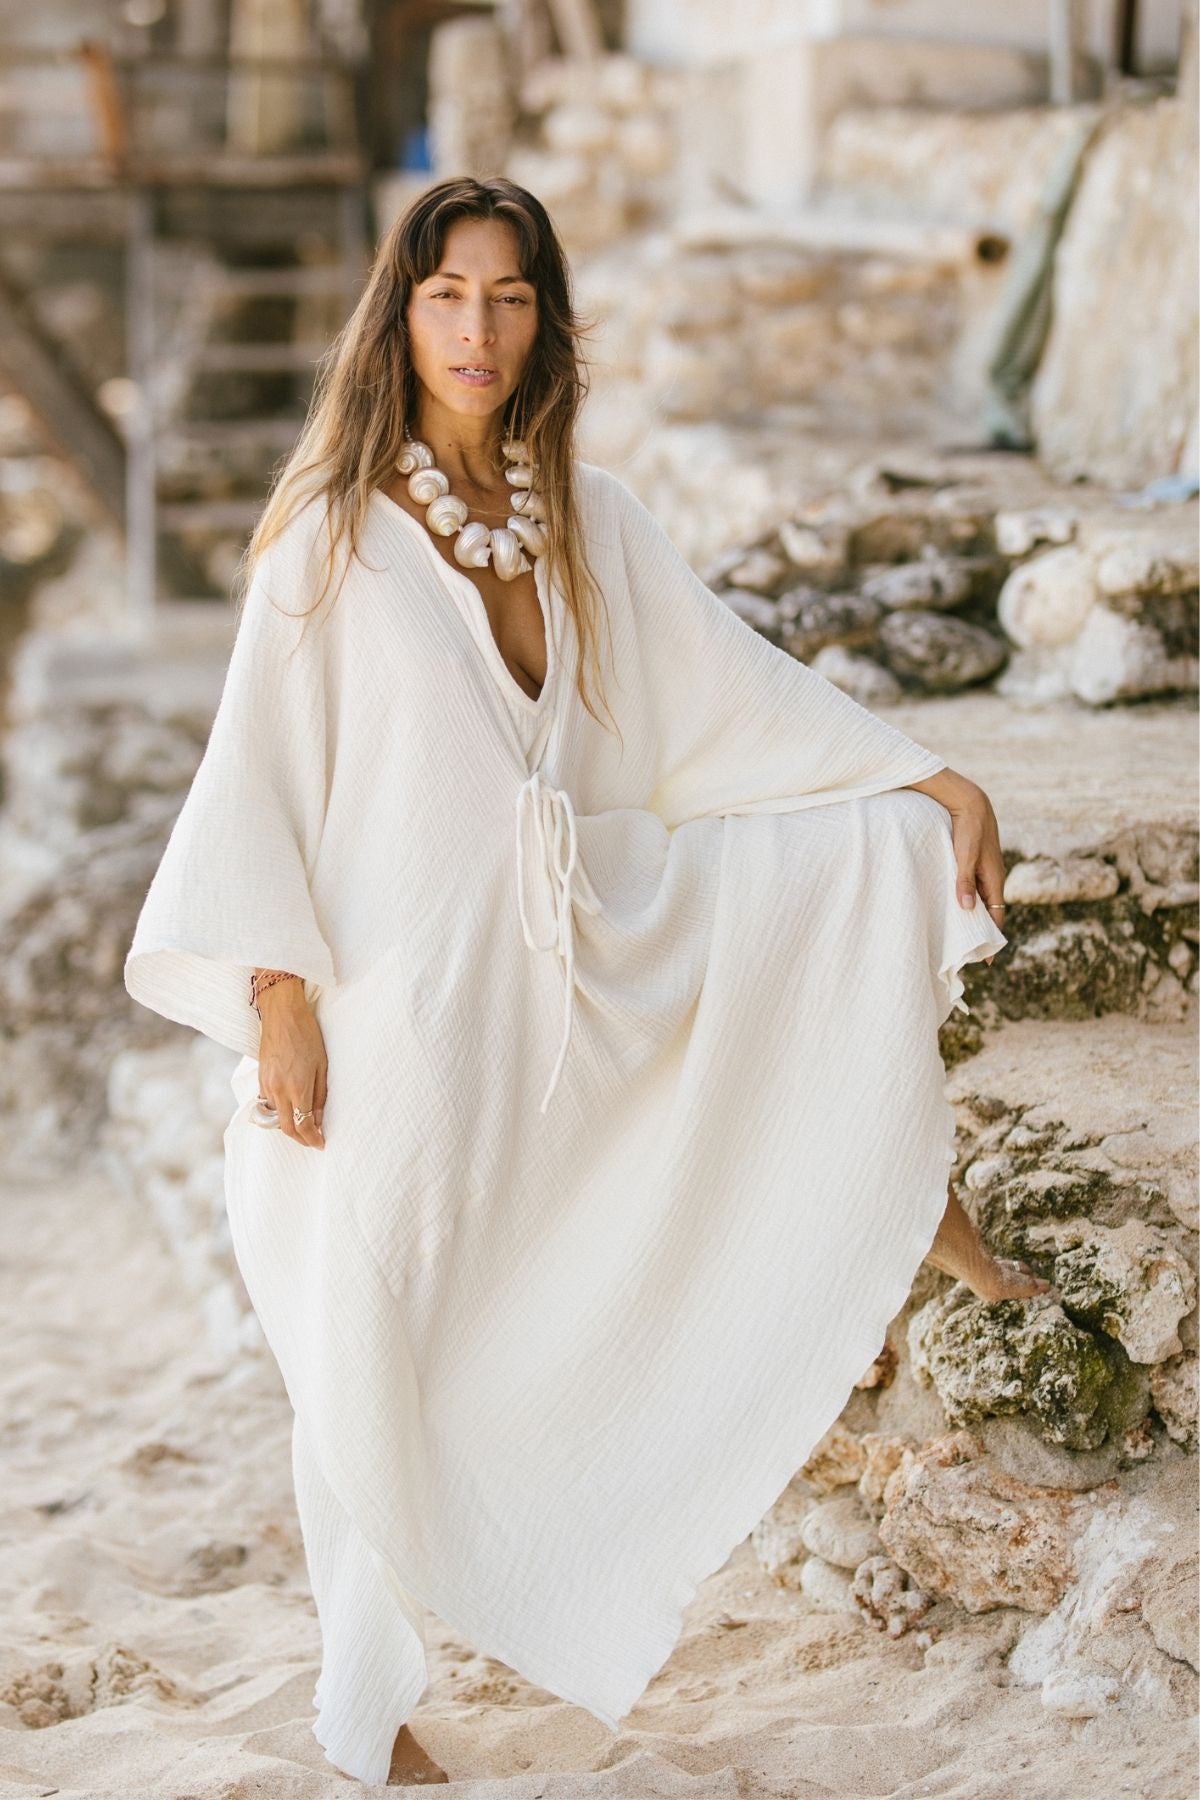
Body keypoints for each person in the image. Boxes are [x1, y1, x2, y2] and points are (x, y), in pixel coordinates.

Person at [125, 175, 1051, 1787]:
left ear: (546, 319)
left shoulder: (591, 515)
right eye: (444, 297)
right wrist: (277, 996)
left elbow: (733, 699)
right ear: (397, 317)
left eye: (508, 296)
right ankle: (371, 1700)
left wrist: (923, 781)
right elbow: (256, 776)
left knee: (842, 877)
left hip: (586, 940)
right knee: (374, 1319)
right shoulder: (328, 538)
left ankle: (916, 1210)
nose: (477, 330)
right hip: (407, 1003)